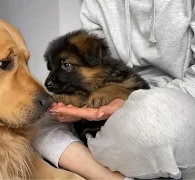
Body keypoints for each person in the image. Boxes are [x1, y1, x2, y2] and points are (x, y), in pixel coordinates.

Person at [31, 0, 195, 179]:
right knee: (35, 118)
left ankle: (94, 162)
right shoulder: (96, 4)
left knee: (150, 121)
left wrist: (127, 100)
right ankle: (112, 176)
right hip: (110, 125)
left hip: (179, 102)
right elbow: (99, 67)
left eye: (65, 64)